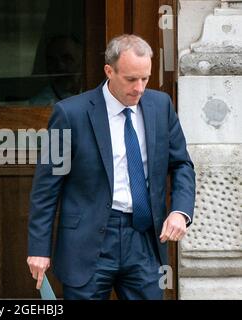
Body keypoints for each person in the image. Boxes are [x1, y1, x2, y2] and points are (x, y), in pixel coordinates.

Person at [27, 34, 196, 300]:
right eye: (131, 79)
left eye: (145, 78)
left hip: (144, 239)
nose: (139, 88)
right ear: (109, 71)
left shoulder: (161, 106)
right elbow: (46, 188)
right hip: (87, 243)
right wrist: (39, 248)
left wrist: (180, 211)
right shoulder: (70, 114)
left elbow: (182, 164)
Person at [29, 35, 83, 105]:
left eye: (67, 59)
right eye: (53, 61)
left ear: (81, 61)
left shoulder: (96, 92)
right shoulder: (39, 104)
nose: (61, 67)